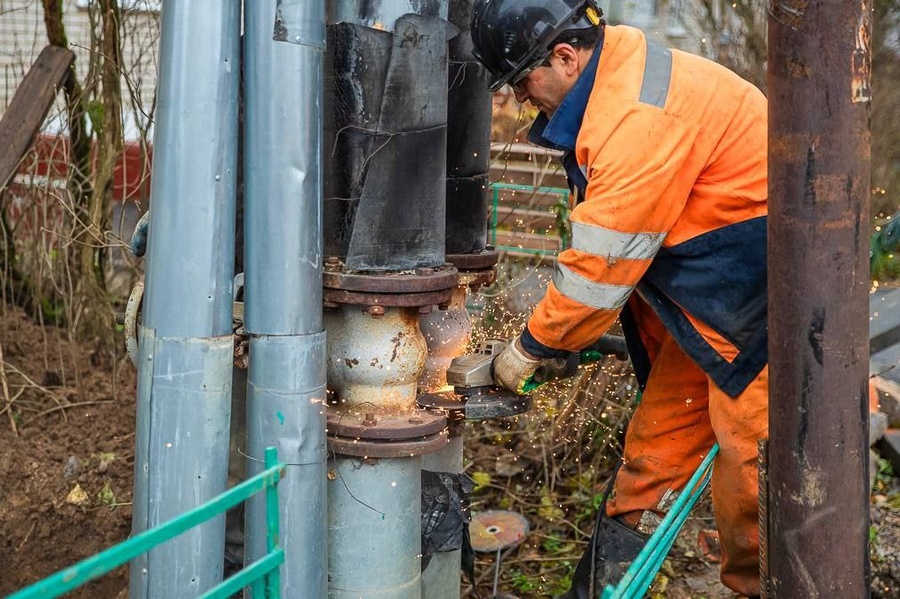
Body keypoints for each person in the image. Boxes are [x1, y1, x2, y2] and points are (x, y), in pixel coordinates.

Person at [470, 1, 768, 598]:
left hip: (766, 318)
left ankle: (766, 586)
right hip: (709, 313)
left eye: (522, 80)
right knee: (651, 458)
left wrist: (531, 349)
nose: (523, 102)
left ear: (564, 56)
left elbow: (599, 272)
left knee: (755, 479)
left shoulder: (634, 114)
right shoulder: (609, 88)